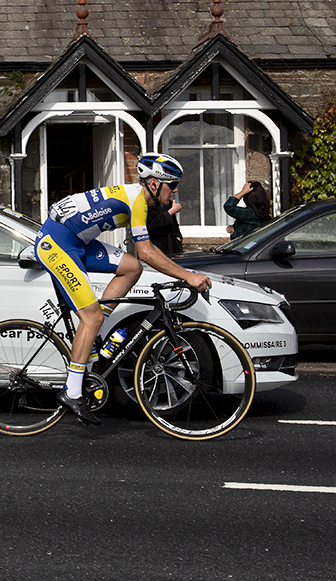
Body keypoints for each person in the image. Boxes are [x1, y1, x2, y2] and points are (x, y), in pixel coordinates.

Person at [36, 153, 210, 425]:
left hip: (77, 241)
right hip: (57, 243)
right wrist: (188, 276)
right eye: (171, 184)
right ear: (153, 184)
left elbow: (143, 256)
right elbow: (147, 252)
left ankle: (93, 336)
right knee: (90, 317)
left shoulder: (140, 200)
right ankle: (71, 391)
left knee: (131, 268)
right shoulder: (138, 201)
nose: (175, 190)